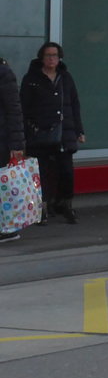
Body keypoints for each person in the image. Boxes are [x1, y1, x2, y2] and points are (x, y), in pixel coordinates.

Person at [20, 42, 85, 225]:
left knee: (66, 172)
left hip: (64, 133)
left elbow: (74, 104)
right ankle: (42, 208)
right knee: (41, 173)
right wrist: (25, 132)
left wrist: (79, 130)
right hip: (39, 133)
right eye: (48, 55)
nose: (51, 59)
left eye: (55, 55)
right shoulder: (32, 78)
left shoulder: (65, 78)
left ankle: (64, 203)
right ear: (42, 57)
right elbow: (23, 106)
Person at [0, 57, 27, 243]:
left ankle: (8, 229)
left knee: (5, 187)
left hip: (2, 138)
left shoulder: (3, 72)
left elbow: (13, 109)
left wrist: (16, 144)